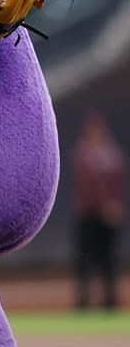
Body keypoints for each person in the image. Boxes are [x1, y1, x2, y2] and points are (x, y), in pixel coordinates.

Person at [72, 112, 126, 309]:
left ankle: (110, 303)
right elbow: (86, 186)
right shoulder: (82, 152)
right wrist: (104, 205)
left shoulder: (112, 154)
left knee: (108, 261)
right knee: (84, 262)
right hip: (88, 216)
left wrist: (113, 207)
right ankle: (83, 303)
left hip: (108, 219)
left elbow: (117, 185)